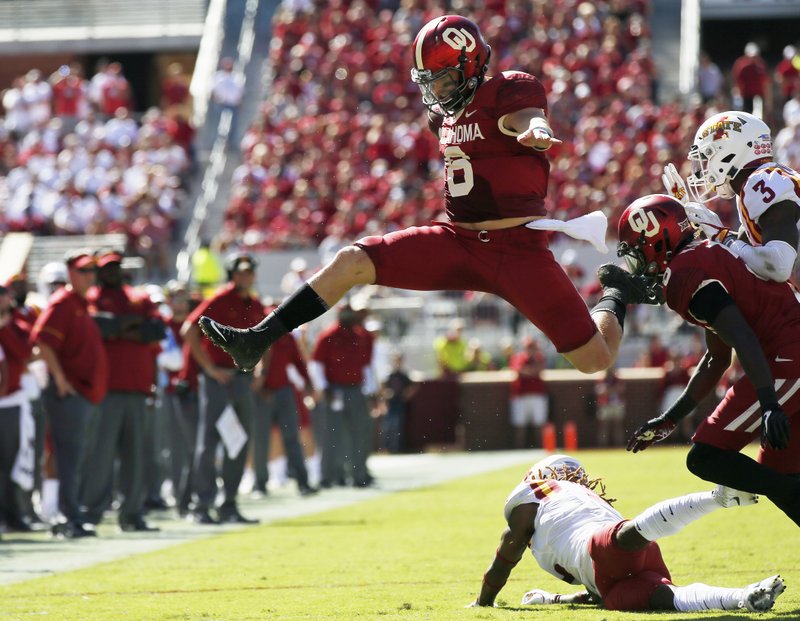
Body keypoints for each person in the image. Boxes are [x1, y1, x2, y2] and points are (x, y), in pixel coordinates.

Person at [198, 15, 650, 377]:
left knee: (594, 360)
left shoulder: (507, 92)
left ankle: (616, 292)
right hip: (456, 242)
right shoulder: (445, 116)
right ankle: (257, 338)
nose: (437, 91)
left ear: (472, 65)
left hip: (518, 251)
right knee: (352, 261)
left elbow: (527, 119)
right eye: (429, 81)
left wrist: (537, 131)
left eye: (444, 79)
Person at [610, 194, 800, 527]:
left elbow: (742, 338)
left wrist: (769, 402)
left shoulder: (687, 273)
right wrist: (671, 418)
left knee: (706, 458)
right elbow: (717, 357)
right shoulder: (705, 254)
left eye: (638, 250)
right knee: (779, 471)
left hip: (788, 355)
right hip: (787, 349)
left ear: (658, 238)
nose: (638, 262)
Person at [470, 454, 785, 612]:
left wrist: (484, 601)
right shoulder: (584, 501)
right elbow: (590, 588)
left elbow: (507, 550)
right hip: (609, 583)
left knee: (627, 537)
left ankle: (717, 498)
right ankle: (743, 597)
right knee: (668, 599)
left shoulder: (539, 491)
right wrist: (555, 598)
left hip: (602, 547)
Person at [661, 110, 800, 285]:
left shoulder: (760, 183)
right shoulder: (759, 184)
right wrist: (689, 215)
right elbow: (740, 252)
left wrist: (722, 235)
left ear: (729, 153)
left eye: (707, 157)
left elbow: (778, 265)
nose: (702, 169)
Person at [80, 250, 164, 532]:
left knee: (135, 456)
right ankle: (91, 513)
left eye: (115, 267)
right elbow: (96, 327)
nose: (111, 272)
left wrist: (116, 329)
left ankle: (131, 514)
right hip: (106, 388)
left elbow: (156, 330)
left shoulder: (137, 296)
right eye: (106, 268)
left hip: (137, 387)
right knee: (101, 454)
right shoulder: (91, 297)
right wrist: (128, 326)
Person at [30, 250, 108, 538]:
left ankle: (73, 515)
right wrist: (60, 380)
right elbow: (43, 341)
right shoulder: (63, 302)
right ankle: (66, 518)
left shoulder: (81, 303)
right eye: (84, 271)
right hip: (70, 394)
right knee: (68, 458)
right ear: (71, 273)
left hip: (85, 394)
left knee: (77, 458)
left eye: (92, 271)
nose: (90, 277)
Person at [182, 251, 262, 525]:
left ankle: (229, 503)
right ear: (232, 274)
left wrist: (258, 369)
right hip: (218, 380)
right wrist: (209, 368)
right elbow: (189, 330)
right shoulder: (219, 299)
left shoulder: (254, 303)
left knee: (238, 442)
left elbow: (265, 339)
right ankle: (201, 505)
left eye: (249, 272)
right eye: (240, 272)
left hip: (241, 379)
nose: (246, 276)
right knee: (209, 443)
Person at [308, 303, 377, 488]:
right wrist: (324, 388)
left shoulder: (360, 336)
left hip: (356, 390)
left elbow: (366, 366)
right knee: (331, 435)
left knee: (359, 434)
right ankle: (328, 477)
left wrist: (371, 391)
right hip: (335, 390)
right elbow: (317, 365)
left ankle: (358, 475)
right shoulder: (328, 336)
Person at [508, 335, 548, 450]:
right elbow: (519, 371)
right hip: (521, 396)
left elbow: (540, 369)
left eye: (533, 347)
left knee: (539, 424)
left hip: (537, 395)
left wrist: (529, 371)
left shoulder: (539, 357)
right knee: (519, 425)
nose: (531, 349)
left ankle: (542, 448)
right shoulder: (518, 357)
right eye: (529, 347)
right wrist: (532, 371)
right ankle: (518, 448)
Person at [731, 43, 770, 115]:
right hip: (746, 95)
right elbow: (737, 81)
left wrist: (768, 97)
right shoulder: (742, 65)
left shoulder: (761, 65)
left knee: (759, 113)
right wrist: (738, 94)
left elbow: (765, 81)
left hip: (759, 94)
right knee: (747, 114)